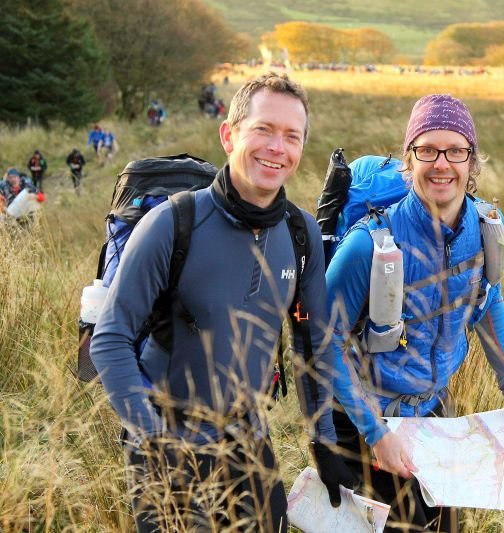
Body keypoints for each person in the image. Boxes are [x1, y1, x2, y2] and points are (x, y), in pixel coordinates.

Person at [91, 73, 355, 532]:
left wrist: (324, 443)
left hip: (248, 438)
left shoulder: (300, 233)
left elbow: (312, 345)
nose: (278, 147)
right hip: (167, 439)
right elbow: (109, 340)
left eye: (292, 136)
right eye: (263, 130)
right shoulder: (173, 225)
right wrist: (154, 440)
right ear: (229, 134)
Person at [327, 94, 504, 533]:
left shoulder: (482, 230)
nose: (441, 163)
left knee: (445, 525)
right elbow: (321, 344)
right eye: (427, 150)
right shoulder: (366, 246)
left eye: (456, 151)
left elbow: (487, 301)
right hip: (365, 420)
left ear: (471, 163)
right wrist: (375, 433)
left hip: (431, 413)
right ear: (409, 160)